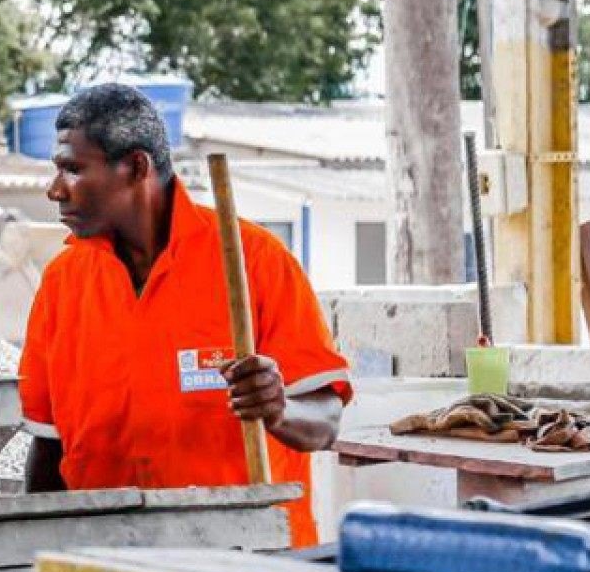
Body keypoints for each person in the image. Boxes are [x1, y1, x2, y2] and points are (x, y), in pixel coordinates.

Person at [18, 84, 350, 545]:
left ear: (137, 167)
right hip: (110, 563)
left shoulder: (255, 261)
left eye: (73, 169)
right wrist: (34, 560)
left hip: (247, 561)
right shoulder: (62, 282)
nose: (55, 190)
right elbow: (48, 446)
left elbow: (326, 423)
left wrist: (279, 410)